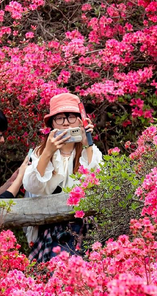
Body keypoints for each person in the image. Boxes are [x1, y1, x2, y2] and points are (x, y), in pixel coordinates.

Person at [23, 93, 103, 262]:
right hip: (50, 228)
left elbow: (95, 180)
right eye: (60, 118)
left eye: (72, 117)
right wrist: (48, 152)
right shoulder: (41, 151)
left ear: (81, 121)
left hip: (81, 227)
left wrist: (87, 143)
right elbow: (33, 186)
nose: (66, 122)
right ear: (52, 124)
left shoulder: (89, 151)